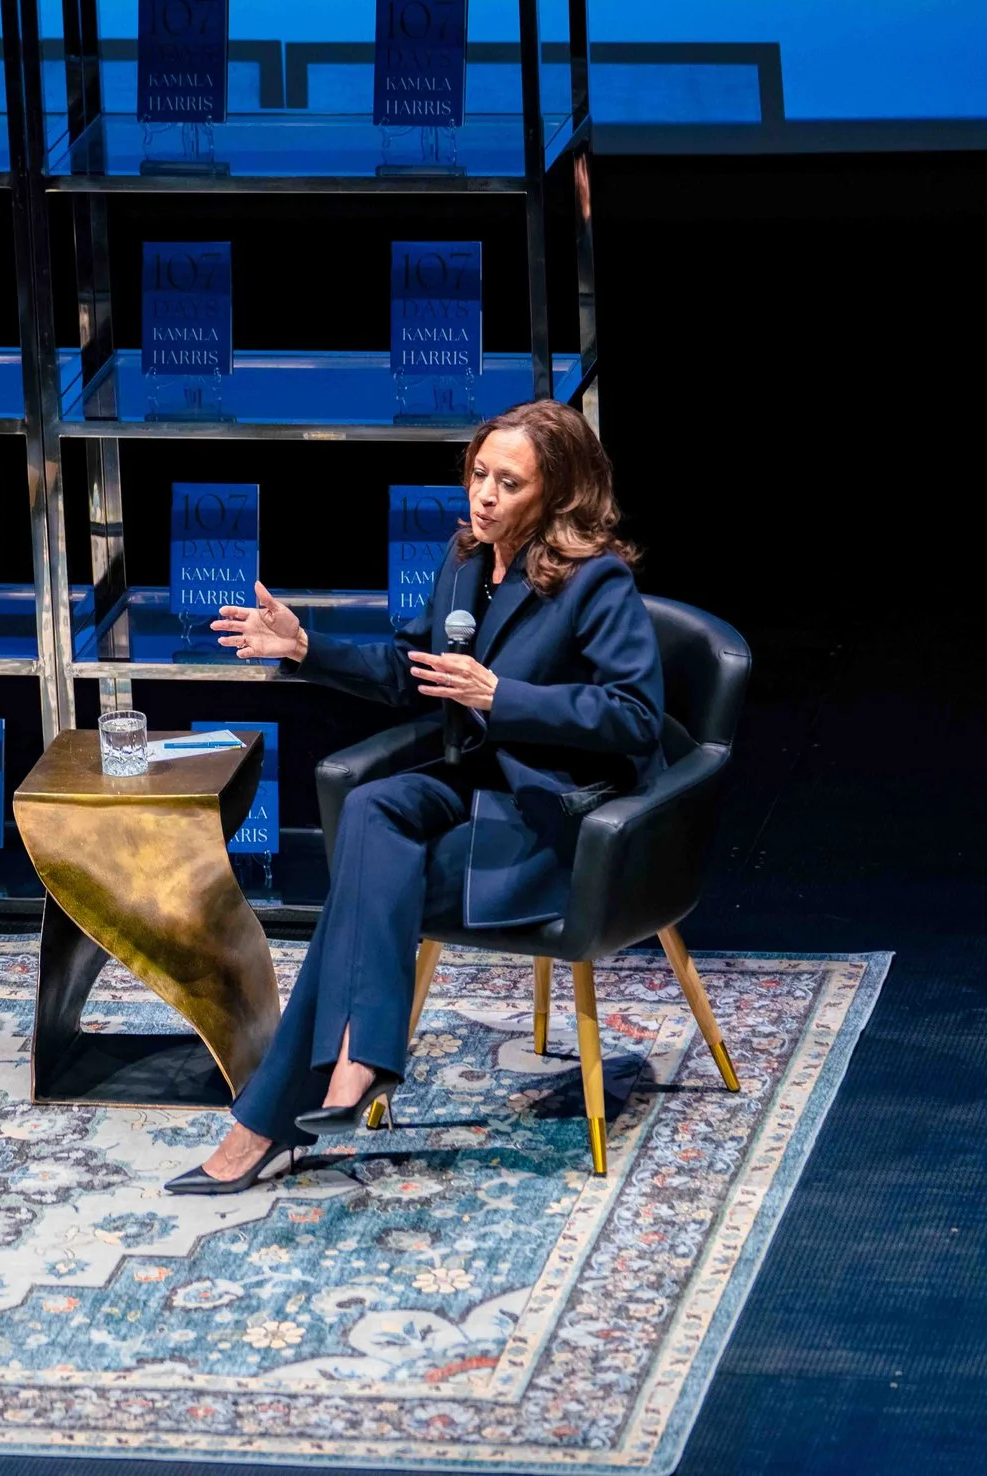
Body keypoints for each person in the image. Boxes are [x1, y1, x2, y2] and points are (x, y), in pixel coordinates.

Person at [169, 399, 663, 1195]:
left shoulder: (595, 582)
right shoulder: (467, 560)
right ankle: (354, 1062)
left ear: (558, 492)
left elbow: (637, 718)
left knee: (365, 891)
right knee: (372, 807)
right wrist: (306, 648)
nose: (485, 496)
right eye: (478, 475)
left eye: (509, 482)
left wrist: (504, 697)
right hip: (475, 783)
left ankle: (277, 1115)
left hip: (551, 813)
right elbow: (416, 673)